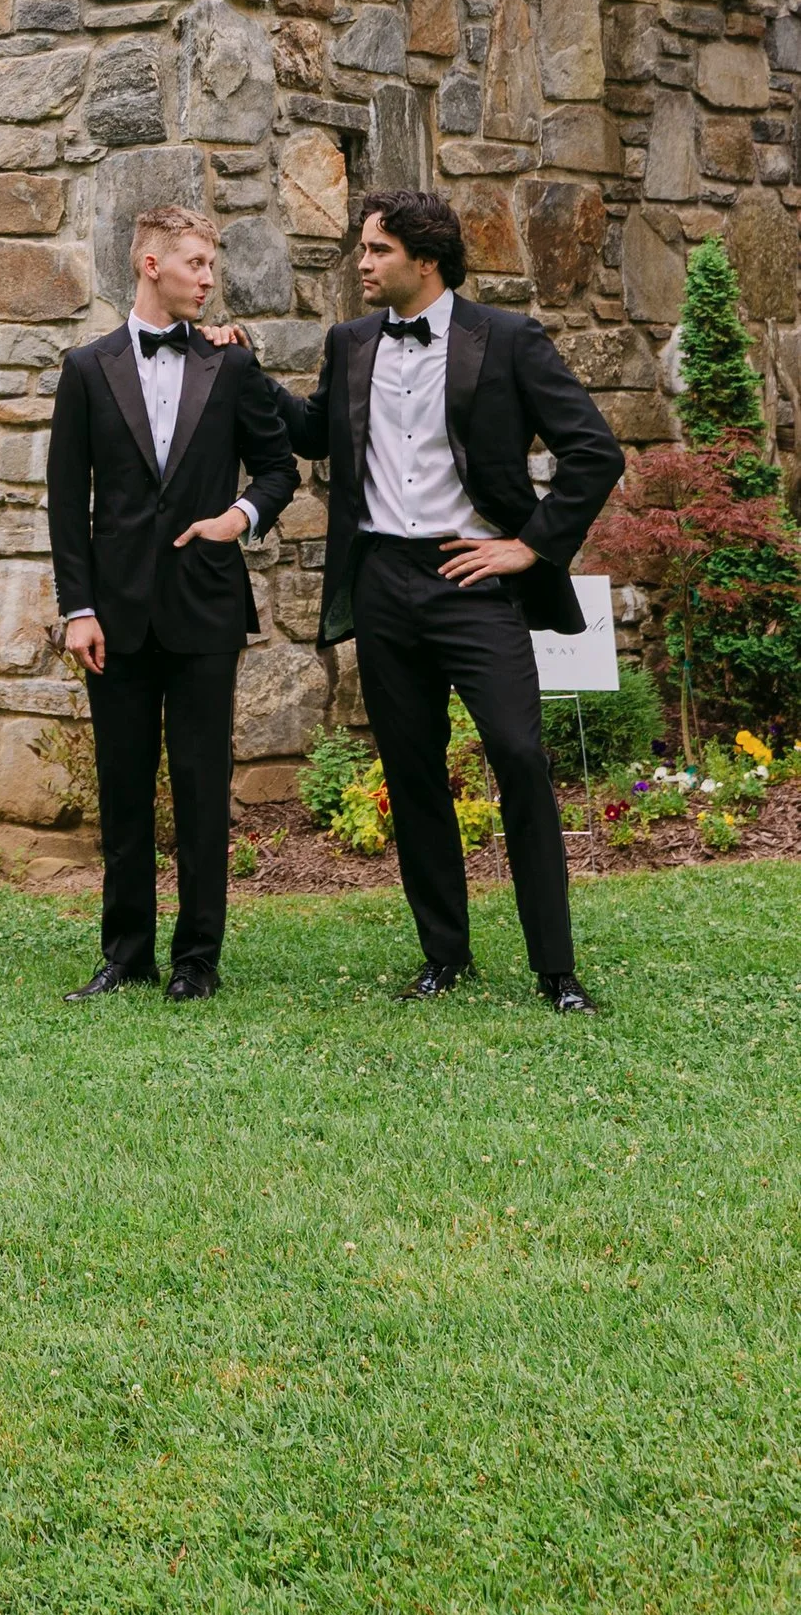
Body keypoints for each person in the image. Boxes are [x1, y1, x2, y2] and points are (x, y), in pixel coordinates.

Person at [282, 190, 624, 1010]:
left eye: (374, 249)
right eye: (362, 249)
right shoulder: (350, 340)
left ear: (424, 258)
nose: (360, 263)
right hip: (384, 583)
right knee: (412, 770)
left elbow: (594, 449)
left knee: (517, 753)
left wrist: (531, 544)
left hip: (474, 580)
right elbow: (311, 432)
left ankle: (557, 969)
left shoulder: (505, 338)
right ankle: (445, 953)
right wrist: (232, 366)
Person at [47, 203, 298, 1002]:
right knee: (122, 789)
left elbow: (278, 468)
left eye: (212, 265)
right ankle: (125, 955)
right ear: (151, 263)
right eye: (196, 262)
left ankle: (198, 960)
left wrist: (239, 516)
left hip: (205, 609)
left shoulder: (231, 364)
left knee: (199, 788)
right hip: (112, 618)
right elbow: (65, 504)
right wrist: (76, 608)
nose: (209, 277)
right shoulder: (87, 369)